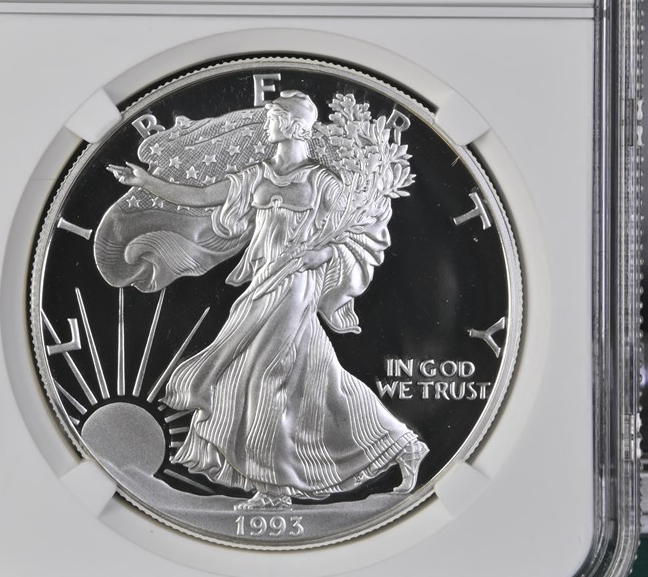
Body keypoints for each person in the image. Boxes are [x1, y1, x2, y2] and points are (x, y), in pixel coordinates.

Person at [108, 91, 428, 509]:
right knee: (323, 381)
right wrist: (146, 182)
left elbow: (360, 234)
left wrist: (321, 255)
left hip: (297, 283)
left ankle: (274, 489)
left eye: (275, 117)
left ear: (295, 126)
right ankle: (403, 444)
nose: (267, 123)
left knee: (262, 374)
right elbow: (200, 196)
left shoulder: (324, 182)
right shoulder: (256, 175)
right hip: (263, 282)